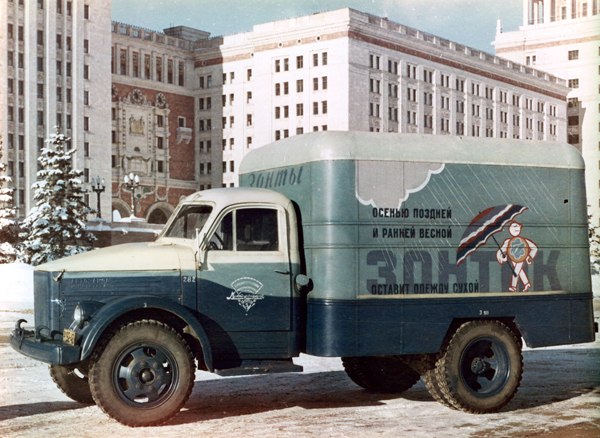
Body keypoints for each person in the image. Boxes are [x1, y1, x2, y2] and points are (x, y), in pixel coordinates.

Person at [496, 221, 538, 292]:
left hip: (521, 258)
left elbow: (534, 248)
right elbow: (500, 251)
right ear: (510, 229)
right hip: (514, 258)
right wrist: (502, 258)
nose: (516, 228)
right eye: (514, 226)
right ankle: (526, 283)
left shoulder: (524, 240)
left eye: (517, 226)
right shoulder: (508, 241)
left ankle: (513, 287)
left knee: (516, 271)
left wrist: (529, 257)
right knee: (519, 271)